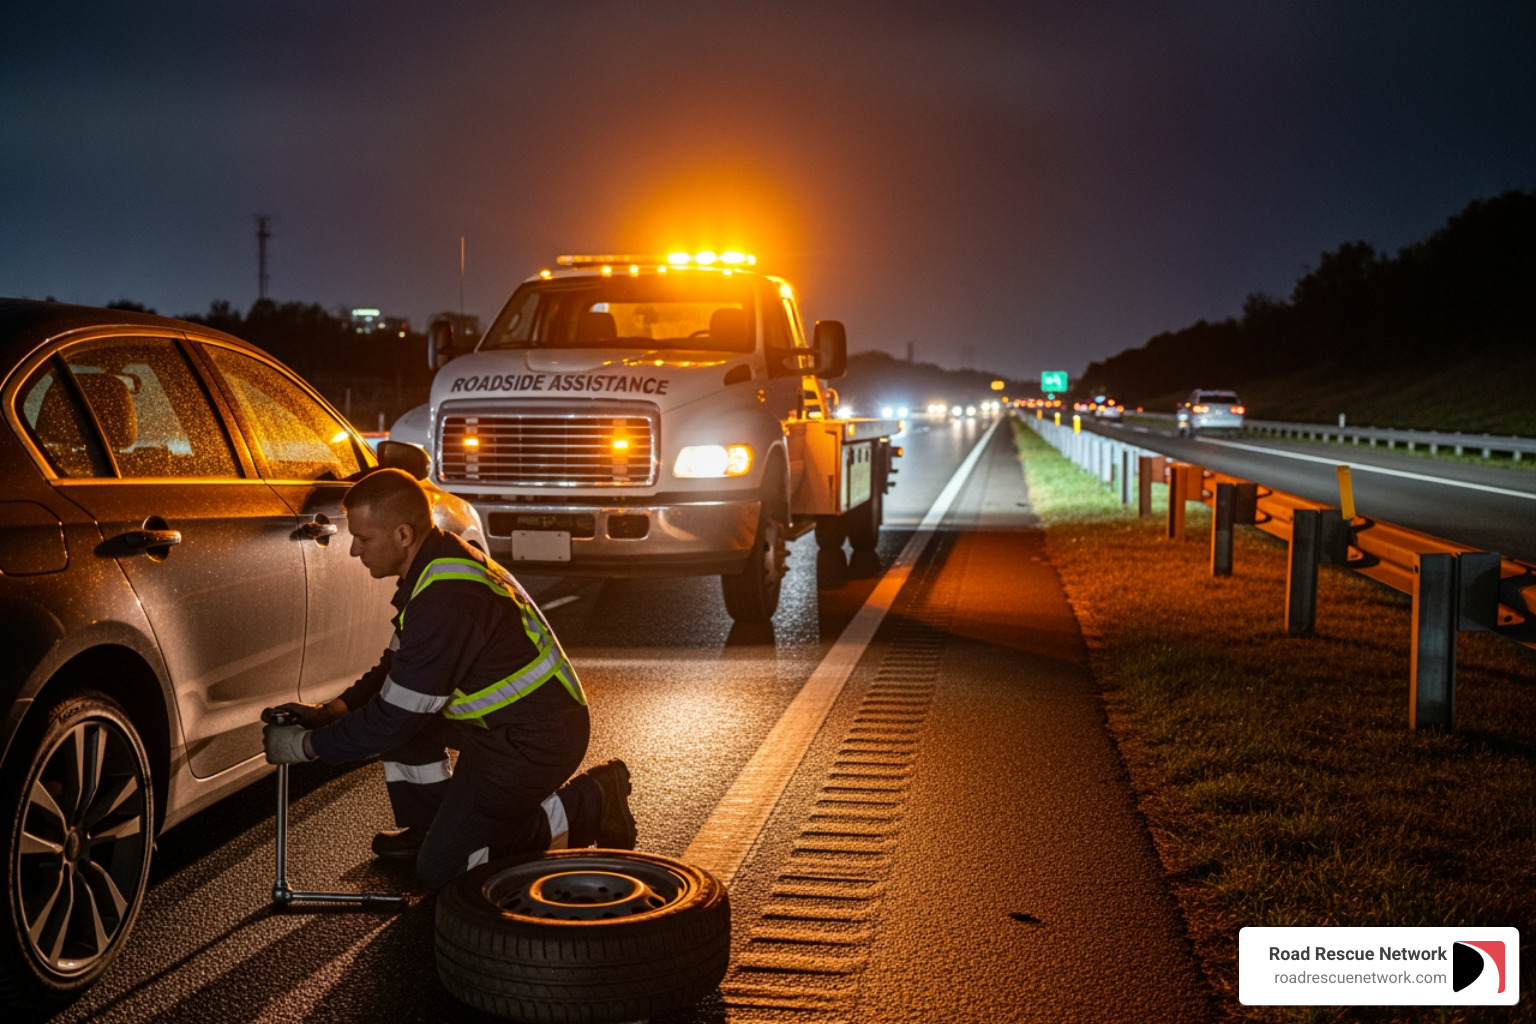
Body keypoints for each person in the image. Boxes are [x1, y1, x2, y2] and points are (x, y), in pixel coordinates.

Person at [261, 468, 635, 890]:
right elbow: (395, 668)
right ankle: (431, 827)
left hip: (534, 742)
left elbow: (393, 718)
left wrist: (307, 747)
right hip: (503, 725)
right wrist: (331, 712)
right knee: (401, 719)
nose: (353, 551)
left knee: (444, 867)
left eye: (363, 539)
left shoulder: (446, 598)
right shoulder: (435, 568)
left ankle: (591, 803)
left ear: (403, 535)